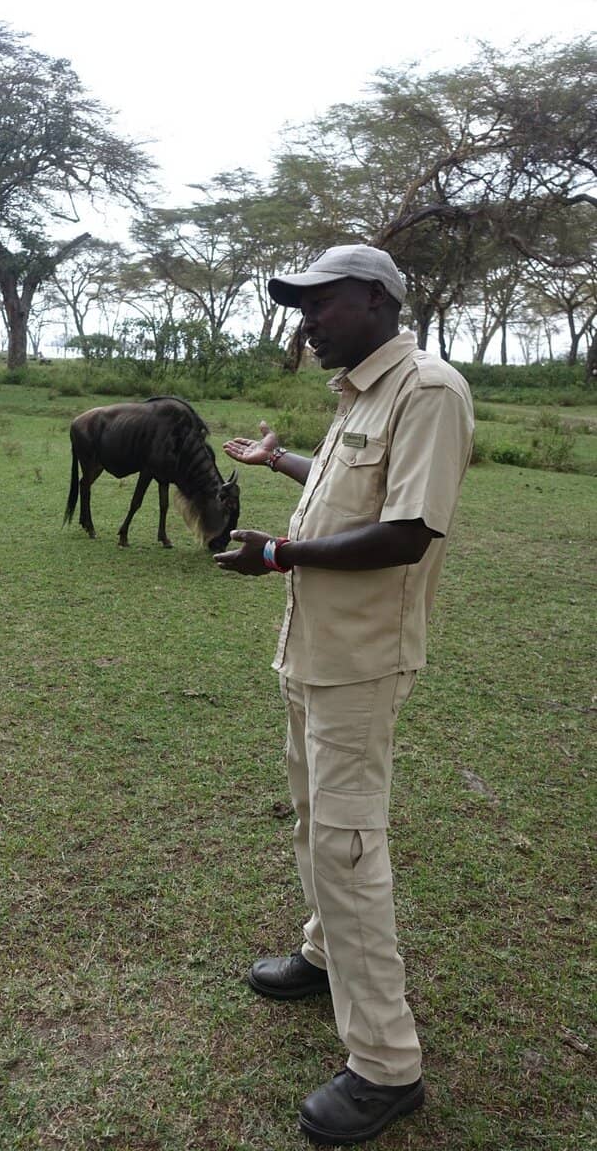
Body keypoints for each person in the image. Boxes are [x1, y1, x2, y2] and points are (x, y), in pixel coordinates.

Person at [214, 244, 474, 1146]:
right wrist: (282, 464)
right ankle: (325, 955)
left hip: (360, 662)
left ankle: (385, 1065)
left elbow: (406, 530)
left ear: (373, 299)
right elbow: (345, 492)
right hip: (311, 650)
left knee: (349, 844)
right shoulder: (360, 396)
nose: (304, 322)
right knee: (311, 817)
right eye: (298, 307)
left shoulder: (429, 391)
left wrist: (278, 554)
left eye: (317, 304)